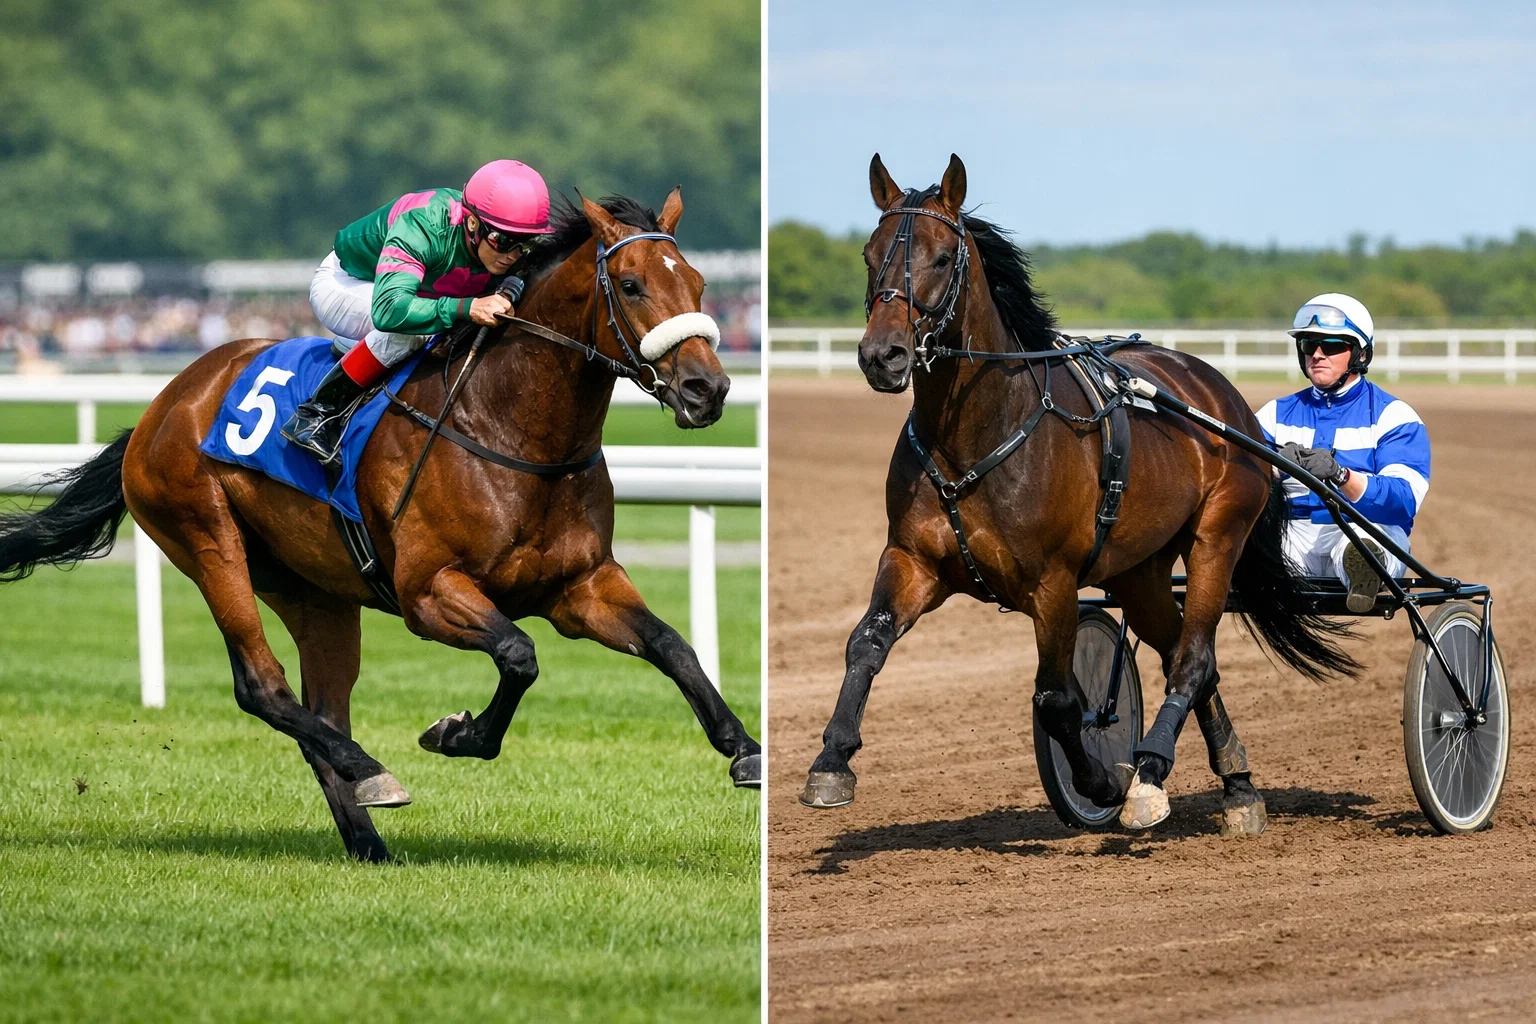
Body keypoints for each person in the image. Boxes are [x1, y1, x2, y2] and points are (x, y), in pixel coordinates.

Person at [280, 159, 555, 462]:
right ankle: (316, 414)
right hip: (350, 283)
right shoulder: (424, 224)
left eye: (524, 244)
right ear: (472, 224)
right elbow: (389, 309)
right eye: (502, 241)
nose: (513, 255)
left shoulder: (503, 246)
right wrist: (468, 306)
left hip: (417, 292)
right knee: (411, 332)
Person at [1254, 293, 1431, 613]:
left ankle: (1363, 572)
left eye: (1332, 345)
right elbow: (1241, 478)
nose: (1317, 355)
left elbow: (1403, 500)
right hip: (1292, 535)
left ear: (1361, 354)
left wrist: (1341, 475)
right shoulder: (1272, 414)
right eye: (1309, 345)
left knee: (1364, 541)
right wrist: (1275, 469)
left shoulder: (1394, 416)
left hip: (1362, 528)